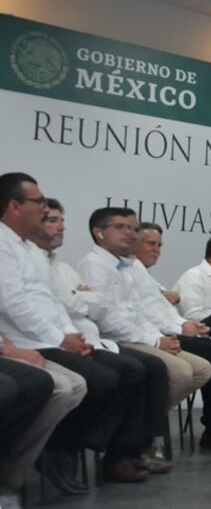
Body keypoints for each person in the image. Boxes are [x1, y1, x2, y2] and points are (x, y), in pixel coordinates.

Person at [80, 208, 211, 458]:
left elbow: (159, 309)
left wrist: (183, 324)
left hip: (173, 330)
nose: (155, 249)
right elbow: (134, 316)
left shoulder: (137, 271)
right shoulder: (123, 269)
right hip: (150, 335)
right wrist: (173, 331)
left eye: (159, 245)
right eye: (149, 242)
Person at [0, 174, 149, 489]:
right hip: (28, 339)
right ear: (14, 206)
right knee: (96, 381)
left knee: (126, 374)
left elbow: (54, 303)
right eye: (38, 202)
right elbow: (15, 304)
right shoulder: (4, 245)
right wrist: (60, 338)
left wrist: (71, 337)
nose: (43, 209)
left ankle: (65, 447)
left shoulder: (30, 250)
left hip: (51, 336)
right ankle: (53, 451)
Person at [38, 200, 173, 468]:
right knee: (130, 372)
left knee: (150, 368)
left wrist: (163, 334)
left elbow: (127, 310)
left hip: (89, 337)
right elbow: (96, 312)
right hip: (71, 339)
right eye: (51, 220)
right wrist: (81, 297)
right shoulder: (91, 264)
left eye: (61, 220)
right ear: (99, 232)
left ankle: (127, 447)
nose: (131, 234)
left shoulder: (65, 268)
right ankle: (98, 448)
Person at [0, 332, 84, 506]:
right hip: (32, 338)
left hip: (20, 340)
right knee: (13, 388)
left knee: (73, 385)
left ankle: (12, 473)